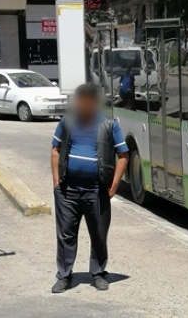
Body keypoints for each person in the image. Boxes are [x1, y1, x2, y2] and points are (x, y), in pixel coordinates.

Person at [50, 84, 129, 293]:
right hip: (68, 190)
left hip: (96, 190)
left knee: (99, 234)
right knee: (66, 234)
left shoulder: (109, 125)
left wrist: (114, 184)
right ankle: (64, 275)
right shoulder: (67, 122)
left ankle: (98, 274)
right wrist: (56, 181)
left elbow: (123, 156)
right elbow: (55, 150)